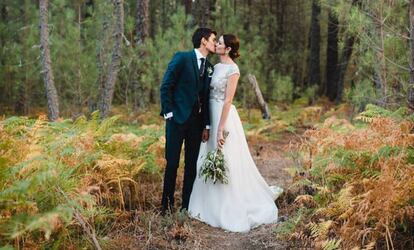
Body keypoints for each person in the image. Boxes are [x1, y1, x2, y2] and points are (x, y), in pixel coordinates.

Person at [188, 34, 281, 232]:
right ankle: (207, 203)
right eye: (217, 41)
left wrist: (220, 128)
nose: (217, 44)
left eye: (220, 42)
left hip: (224, 116)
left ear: (228, 48)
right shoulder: (215, 66)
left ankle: (227, 203)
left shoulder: (233, 70)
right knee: (208, 155)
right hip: (210, 115)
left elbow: (228, 100)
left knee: (224, 157)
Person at [159, 28, 217, 215]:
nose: (215, 43)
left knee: (191, 165)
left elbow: (207, 98)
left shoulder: (210, 67)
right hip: (176, 120)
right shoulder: (182, 58)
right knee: (172, 163)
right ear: (203, 41)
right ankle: (166, 206)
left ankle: (186, 206)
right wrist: (169, 113)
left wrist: (206, 125)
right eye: (213, 40)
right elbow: (166, 85)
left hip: (196, 124)